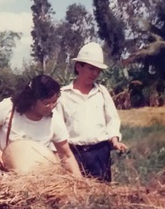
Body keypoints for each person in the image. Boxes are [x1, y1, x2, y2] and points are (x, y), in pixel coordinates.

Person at [55, 42, 128, 182]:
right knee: (76, 195)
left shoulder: (101, 92)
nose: (95, 73)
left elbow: (112, 119)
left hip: (100, 154)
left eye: (98, 70)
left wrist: (114, 140)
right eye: (91, 68)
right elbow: (57, 128)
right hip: (74, 155)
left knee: (102, 195)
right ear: (78, 67)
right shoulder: (63, 95)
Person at [0, 74, 81, 177]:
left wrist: (80, 183)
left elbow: (66, 155)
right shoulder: (9, 108)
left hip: (35, 182)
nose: (51, 107)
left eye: (54, 102)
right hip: (2, 176)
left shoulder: (55, 120)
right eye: (46, 103)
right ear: (32, 99)